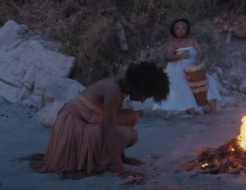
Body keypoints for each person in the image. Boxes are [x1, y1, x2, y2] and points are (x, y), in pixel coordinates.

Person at [29, 62, 170, 179]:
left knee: (131, 116)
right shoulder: (113, 91)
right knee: (131, 135)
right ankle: (90, 160)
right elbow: (108, 130)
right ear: (139, 86)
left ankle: (113, 158)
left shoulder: (119, 90)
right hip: (73, 129)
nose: (143, 100)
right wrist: (122, 171)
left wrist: (123, 158)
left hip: (83, 124)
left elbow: (112, 123)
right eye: (146, 95)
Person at [153, 19, 222, 115]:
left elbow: (200, 52)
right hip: (176, 71)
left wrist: (199, 60)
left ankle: (213, 109)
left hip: (193, 69)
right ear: (175, 31)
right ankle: (191, 110)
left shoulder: (192, 41)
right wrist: (181, 56)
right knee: (183, 85)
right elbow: (167, 57)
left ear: (186, 30)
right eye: (178, 28)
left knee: (210, 81)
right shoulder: (172, 43)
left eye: (183, 28)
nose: (180, 30)